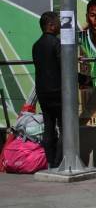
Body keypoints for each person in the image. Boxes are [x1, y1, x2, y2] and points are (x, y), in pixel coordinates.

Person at [32, 11, 62, 168]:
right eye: (57, 22)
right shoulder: (56, 44)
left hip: (42, 92)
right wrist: (83, 79)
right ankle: (60, 160)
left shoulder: (36, 45)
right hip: (58, 91)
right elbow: (63, 67)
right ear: (50, 25)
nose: (60, 25)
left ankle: (50, 162)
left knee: (49, 126)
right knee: (65, 127)